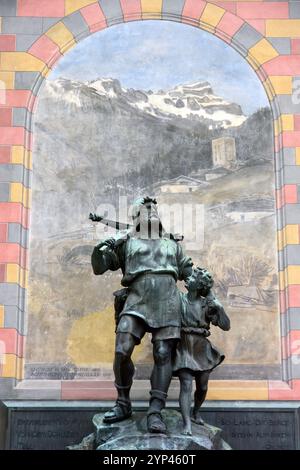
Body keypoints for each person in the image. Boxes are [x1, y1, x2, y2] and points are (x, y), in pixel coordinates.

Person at [91, 197, 193, 433]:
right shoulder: (126, 241)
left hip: (168, 300)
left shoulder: (172, 243)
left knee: (162, 352)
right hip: (136, 298)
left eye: (154, 208)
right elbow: (99, 268)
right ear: (135, 217)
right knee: (121, 349)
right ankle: (123, 403)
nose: (152, 211)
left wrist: (207, 298)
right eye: (147, 209)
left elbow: (188, 272)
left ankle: (155, 411)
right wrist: (99, 249)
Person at [173, 267, 230, 435]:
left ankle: (196, 411)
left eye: (193, 277)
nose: (188, 278)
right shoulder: (179, 298)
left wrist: (219, 308)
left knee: (203, 387)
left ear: (199, 285)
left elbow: (226, 326)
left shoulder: (207, 304)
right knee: (186, 385)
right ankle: (186, 424)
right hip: (183, 346)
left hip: (201, 348)